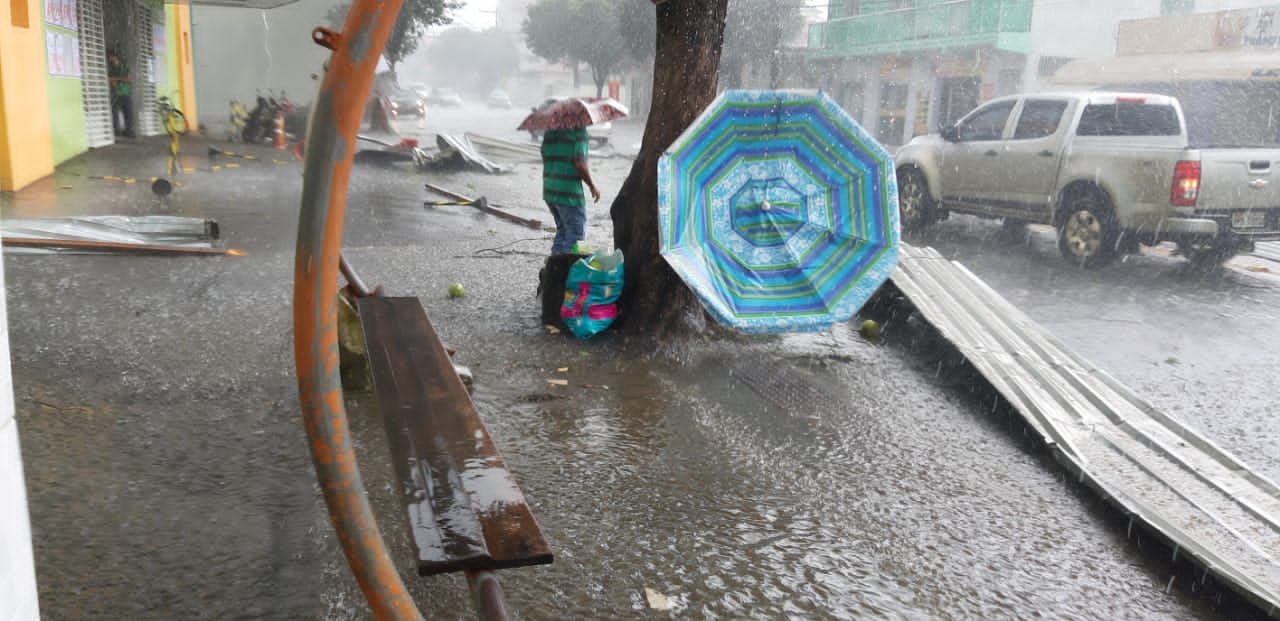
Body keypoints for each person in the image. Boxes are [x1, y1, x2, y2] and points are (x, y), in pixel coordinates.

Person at [541, 126, 600, 255]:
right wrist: (592, 185)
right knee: (575, 238)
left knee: (562, 231)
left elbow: (544, 154)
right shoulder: (579, 132)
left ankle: (554, 270)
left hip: (550, 191)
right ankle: (568, 272)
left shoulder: (550, 131)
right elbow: (580, 164)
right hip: (569, 195)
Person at [108, 49, 133, 137]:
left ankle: (129, 131)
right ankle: (117, 131)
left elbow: (129, 79)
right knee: (115, 112)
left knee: (128, 113)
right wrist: (117, 81)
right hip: (117, 94)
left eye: (111, 57)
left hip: (125, 93)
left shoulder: (124, 67)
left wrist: (117, 79)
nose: (109, 59)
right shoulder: (112, 69)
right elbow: (110, 80)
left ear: (115, 57)